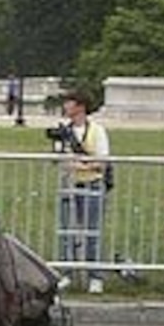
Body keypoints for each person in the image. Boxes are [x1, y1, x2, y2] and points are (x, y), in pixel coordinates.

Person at [52, 89, 110, 294]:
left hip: (92, 184)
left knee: (92, 231)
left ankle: (95, 276)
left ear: (80, 106)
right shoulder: (63, 131)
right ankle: (66, 272)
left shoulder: (97, 131)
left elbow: (102, 162)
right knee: (66, 230)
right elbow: (59, 159)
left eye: (69, 102)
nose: (66, 106)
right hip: (69, 185)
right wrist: (80, 165)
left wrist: (78, 165)